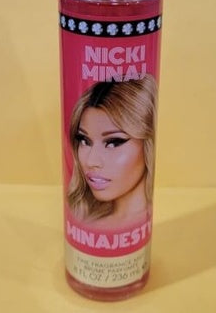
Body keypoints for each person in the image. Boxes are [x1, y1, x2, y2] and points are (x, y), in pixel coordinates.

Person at [67, 74, 157, 228]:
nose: (91, 161)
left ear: (147, 144)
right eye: (84, 141)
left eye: (113, 143)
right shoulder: (82, 218)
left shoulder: (142, 222)